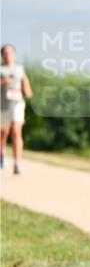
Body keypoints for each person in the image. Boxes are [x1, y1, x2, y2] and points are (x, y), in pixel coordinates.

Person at [1, 44, 33, 175]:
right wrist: (3, 82)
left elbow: (26, 83)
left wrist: (27, 90)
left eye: (10, 52)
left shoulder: (20, 69)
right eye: (5, 53)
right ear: (2, 55)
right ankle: (2, 153)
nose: (8, 55)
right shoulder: (1, 70)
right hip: (3, 106)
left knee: (16, 131)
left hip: (17, 103)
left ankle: (17, 163)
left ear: (14, 54)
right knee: (3, 133)